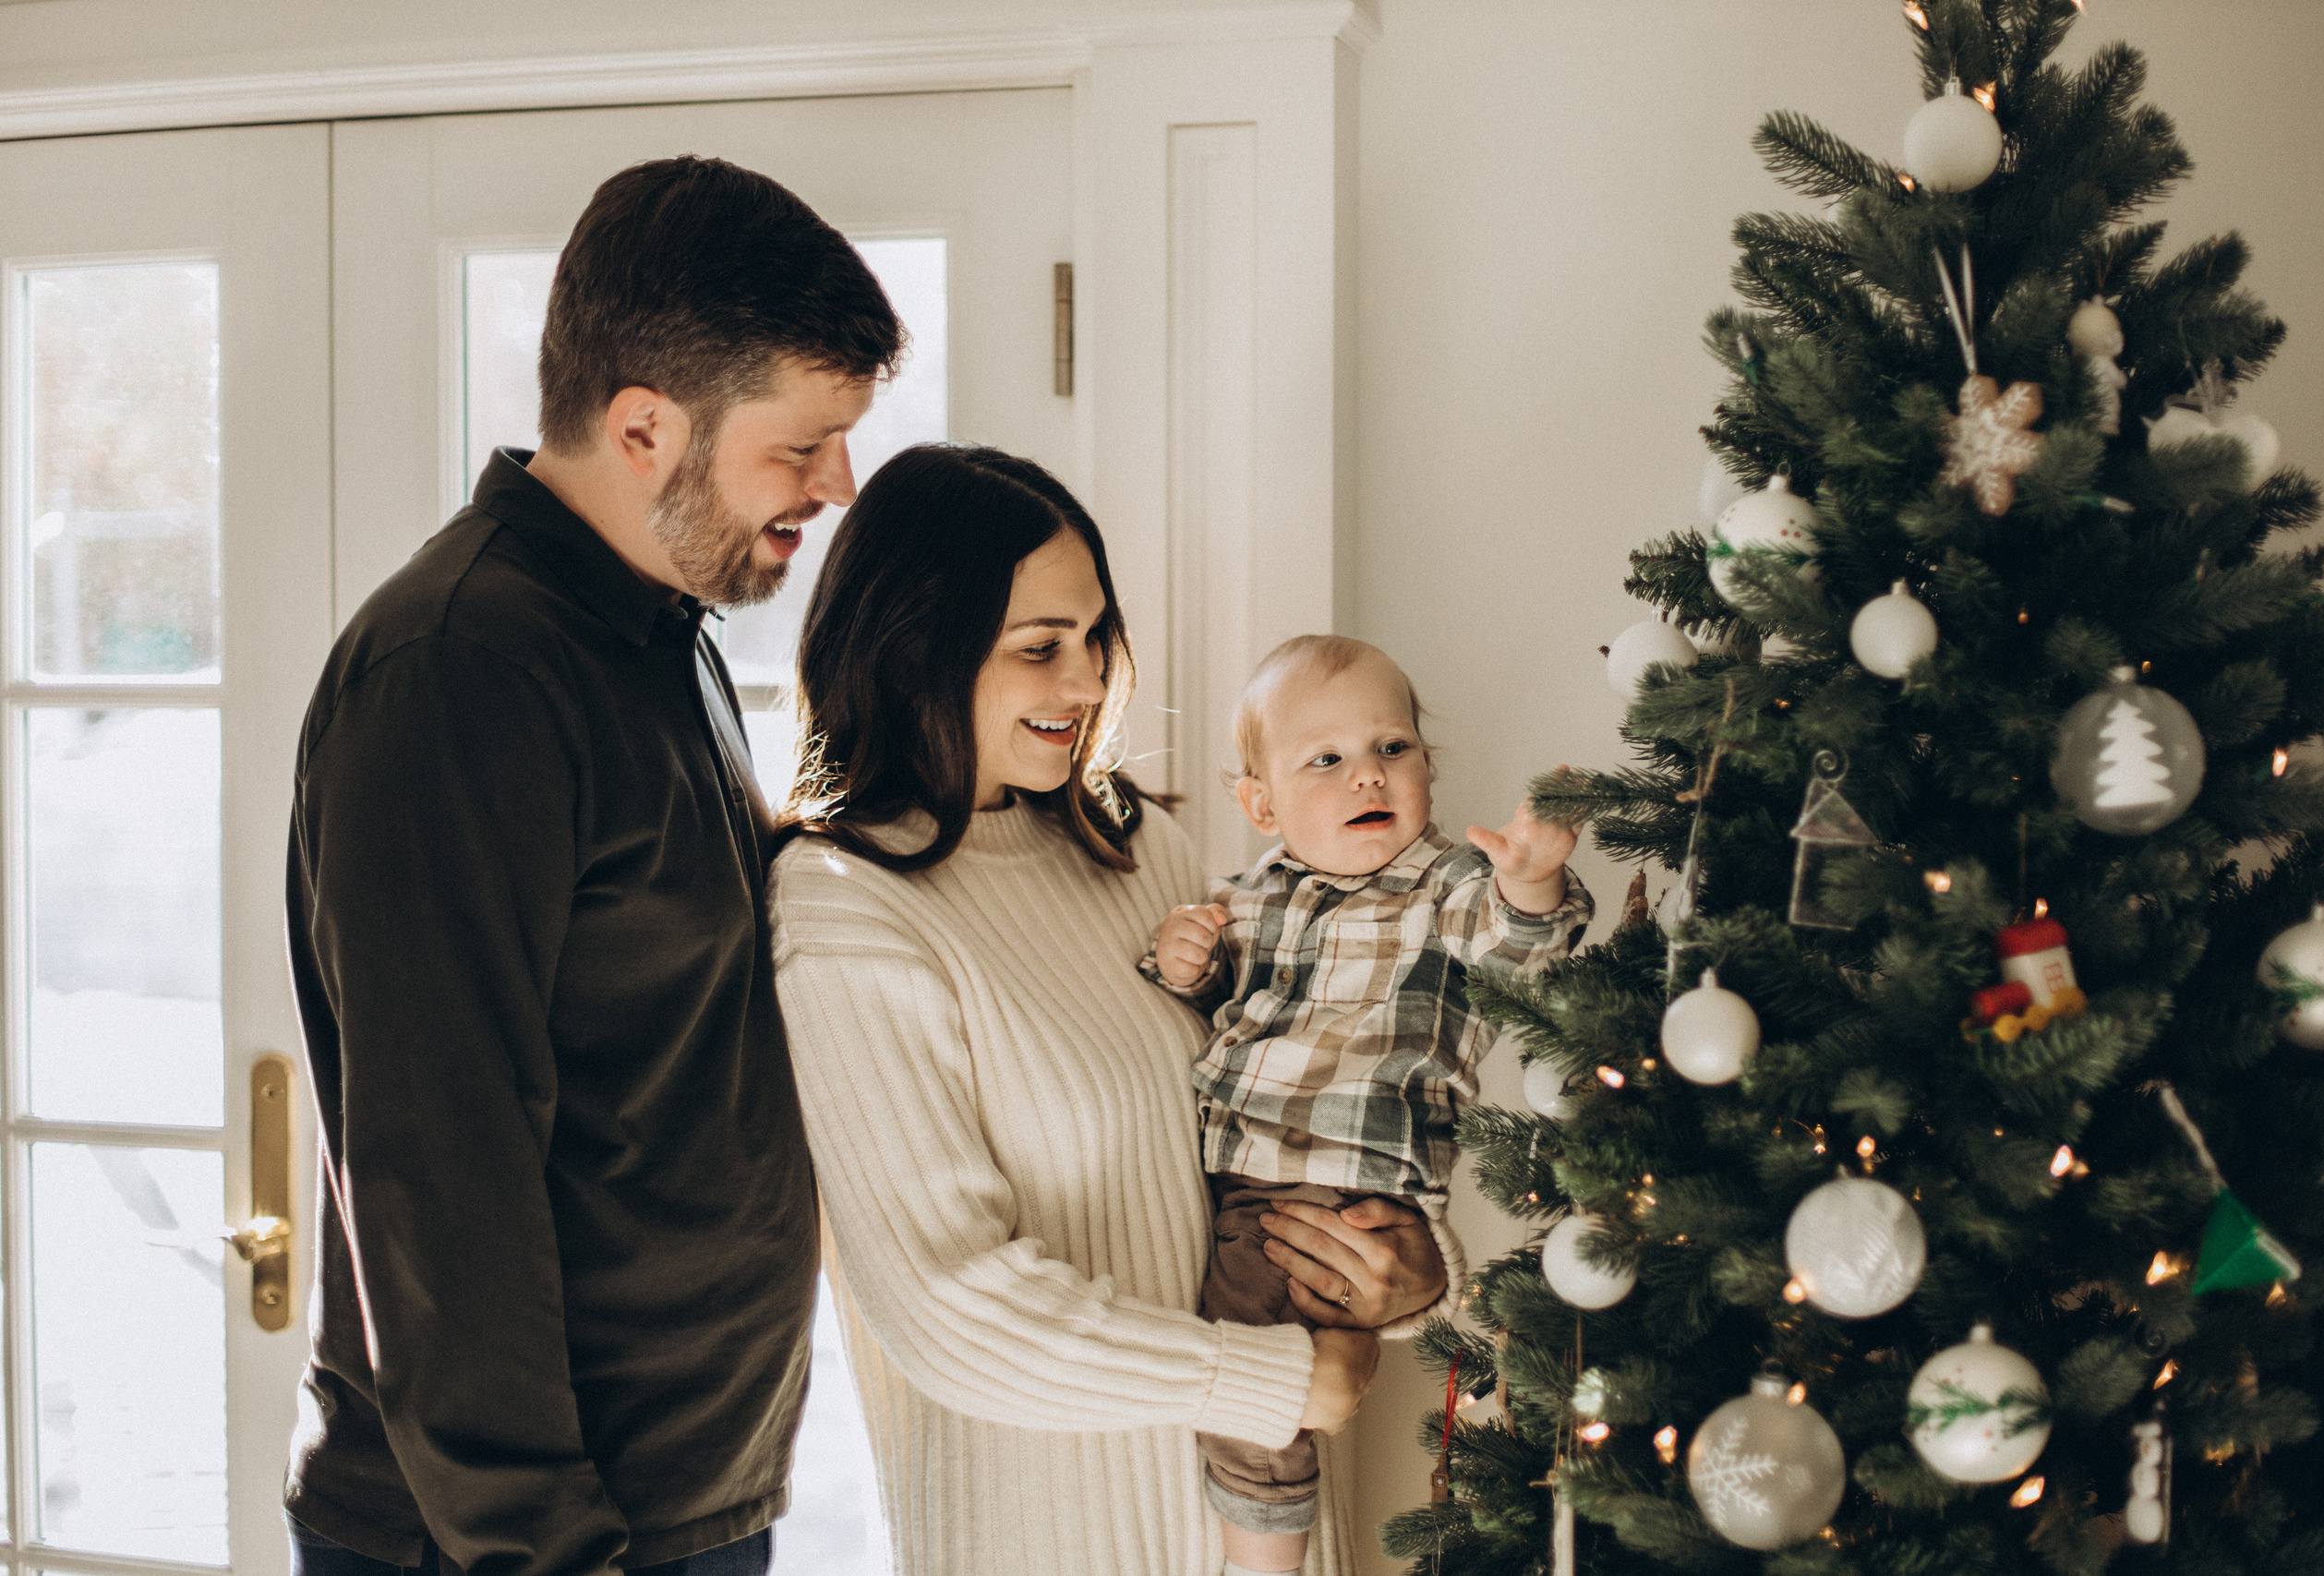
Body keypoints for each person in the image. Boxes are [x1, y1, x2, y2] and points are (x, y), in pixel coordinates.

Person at [283, 156, 901, 1576]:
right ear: (643, 427)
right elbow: (441, 1168)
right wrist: (551, 1549)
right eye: (801, 444)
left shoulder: (659, 632)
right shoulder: (457, 671)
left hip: (688, 1497)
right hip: (525, 1537)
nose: (838, 483)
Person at [769, 444, 1449, 1576]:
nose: (1086, 685)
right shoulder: (844, 912)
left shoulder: (1137, 848)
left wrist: (1403, 1270)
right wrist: (1272, 1379)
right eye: (1040, 648)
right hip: (1049, 1542)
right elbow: (951, 1309)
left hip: (1266, 1534)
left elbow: (1303, 1103)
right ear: (914, 652)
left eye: (1094, 638)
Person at [1145, 635, 1592, 1575]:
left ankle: (1260, 1566)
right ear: (1260, 802)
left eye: (1392, 747)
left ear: (1427, 767)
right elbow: (1201, 1009)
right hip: (1241, 1187)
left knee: (1252, 1379)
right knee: (1259, 1378)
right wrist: (1183, 957)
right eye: (1326, 760)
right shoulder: (1245, 898)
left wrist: (1530, 879)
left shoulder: (1452, 888)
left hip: (1348, 1190)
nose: (1366, 778)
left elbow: (1520, 956)